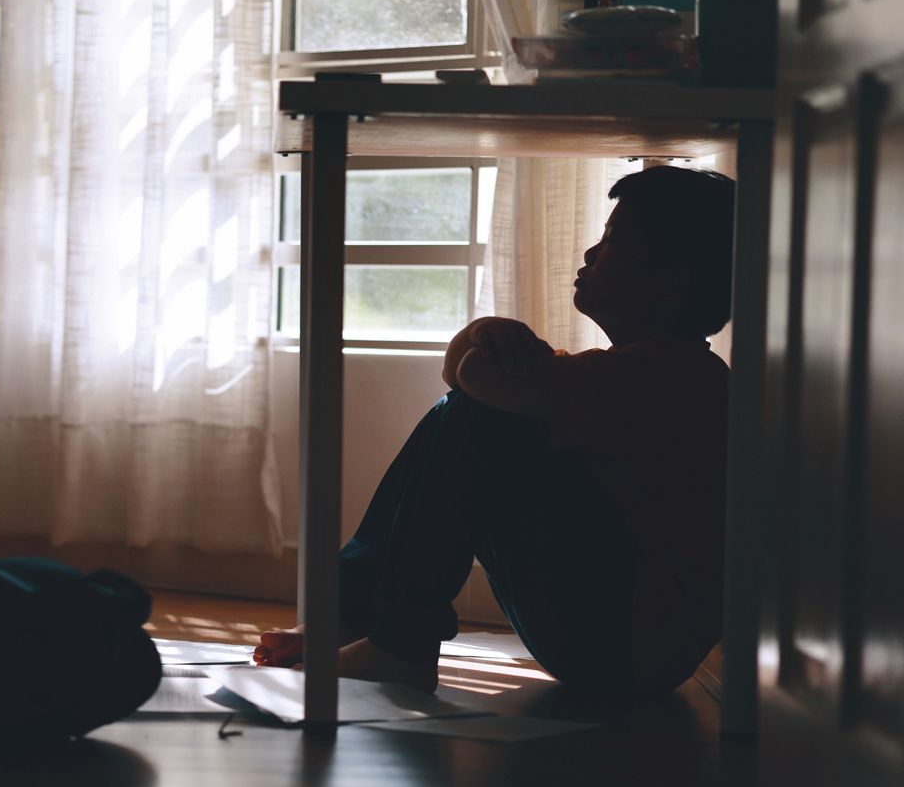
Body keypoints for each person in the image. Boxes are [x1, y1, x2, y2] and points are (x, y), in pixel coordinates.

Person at [254, 165, 735, 697]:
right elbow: (462, 372)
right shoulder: (632, 372)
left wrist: (485, 340)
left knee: (476, 417)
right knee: (474, 410)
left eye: (614, 243)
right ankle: (359, 622)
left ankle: (396, 641)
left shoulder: (665, 379)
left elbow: (477, 380)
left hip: (619, 646)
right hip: (618, 643)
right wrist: (486, 333)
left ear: (670, 283)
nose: (590, 254)